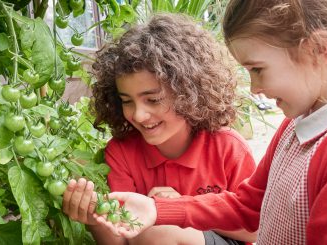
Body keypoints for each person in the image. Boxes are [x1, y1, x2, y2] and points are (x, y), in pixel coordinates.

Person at [90, 0, 327, 244]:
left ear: (318, 50)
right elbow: (249, 206)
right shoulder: (299, 125)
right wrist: (156, 209)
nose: (255, 88)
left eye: (258, 69)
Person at [62, 13, 257, 245]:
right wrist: (93, 217)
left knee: (159, 232)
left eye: (153, 100)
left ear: (188, 92)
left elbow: (255, 229)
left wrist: (176, 209)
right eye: (127, 101)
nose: (139, 114)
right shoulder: (121, 152)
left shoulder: (228, 148)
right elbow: (120, 241)